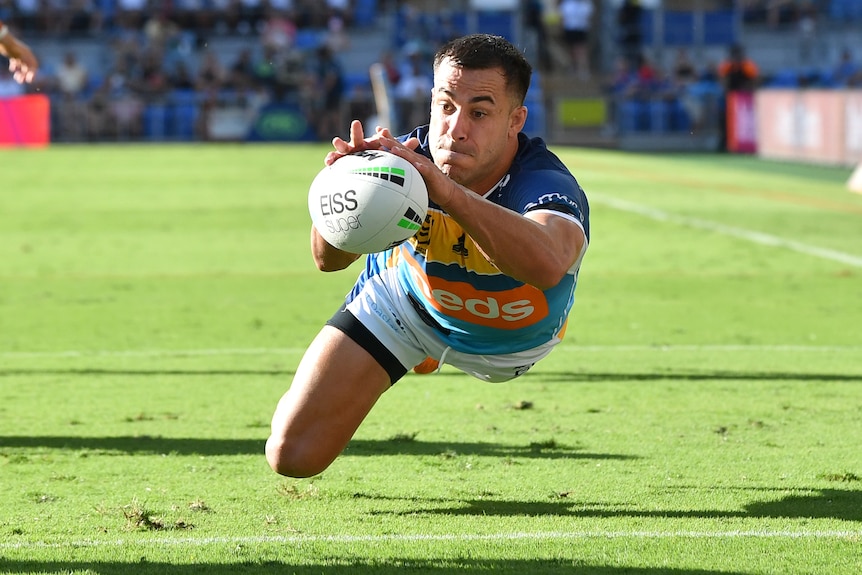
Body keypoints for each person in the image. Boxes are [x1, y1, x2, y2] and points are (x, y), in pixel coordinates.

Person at [266, 34, 590, 478]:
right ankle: (414, 350)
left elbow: (548, 265)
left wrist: (449, 194)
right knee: (291, 455)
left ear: (515, 120)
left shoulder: (542, 181)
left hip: (509, 345)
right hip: (405, 304)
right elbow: (328, 260)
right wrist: (347, 194)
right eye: (446, 105)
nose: (456, 128)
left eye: (479, 113)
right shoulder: (398, 163)